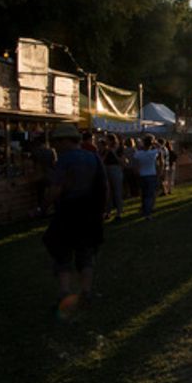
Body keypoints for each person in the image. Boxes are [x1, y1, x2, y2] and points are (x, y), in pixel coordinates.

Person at [42, 123, 107, 313]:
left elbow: (56, 188)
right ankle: (86, 292)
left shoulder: (65, 160)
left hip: (68, 210)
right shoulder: (93, 157)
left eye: (57, 141)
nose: (55, 145)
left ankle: (65, 293)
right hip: (89, 211)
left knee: (62, 252)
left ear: (65, 141)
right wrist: (104, 208)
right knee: (85, 252)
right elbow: (104, 186)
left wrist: (42, 207)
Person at [132, 135, 162, 219]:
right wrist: (155, 143)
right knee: (150, 195)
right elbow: (160, 148)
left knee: (144, 194)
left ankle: (144, 209)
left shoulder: (138, 153)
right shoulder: (153, 153)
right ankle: (148, 213)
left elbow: (135, 163)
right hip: (151, 174)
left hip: (142, 175)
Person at [30, 134, 57, 217]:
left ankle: (42, 211)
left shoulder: (35, 151)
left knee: (40, 194)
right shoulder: (50, 151)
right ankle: (54, 209)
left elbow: (32, 164)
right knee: (52, 193)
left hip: (40, 174)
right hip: (50, 174)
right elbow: (53, 163)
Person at [101, 134, 125, 221]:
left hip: (115, 169)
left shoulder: (119, 149)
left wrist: (113, 152)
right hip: (107, 169)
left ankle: (119, 212)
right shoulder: (106, 150)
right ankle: (108, 211)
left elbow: (121, 161)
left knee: (117, 191)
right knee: (108, 192)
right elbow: (102, 160)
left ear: (111, 140)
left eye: (107, 139)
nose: (105, 141)